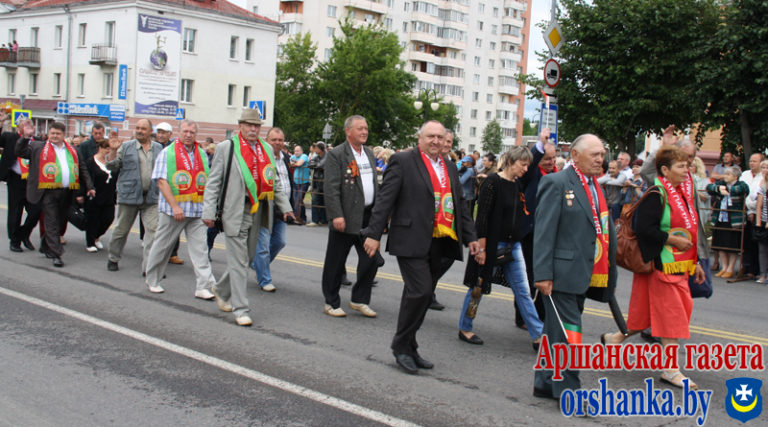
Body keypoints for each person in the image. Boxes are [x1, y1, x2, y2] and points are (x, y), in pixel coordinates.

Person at [362, 120, 479, 374]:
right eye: (431, 136)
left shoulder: (448, 165)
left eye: (440, 137)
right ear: (420, 138)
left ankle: (410, 345)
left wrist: (471, 237)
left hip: (440, 239)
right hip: (410, 237)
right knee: (422, 292)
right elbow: (385, 198)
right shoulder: (403, 161)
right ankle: (400, 345)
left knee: (417, 295)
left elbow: (459, 204)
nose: (436, 141)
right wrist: (373, 234)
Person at [601, 145, 705, 389]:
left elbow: (689, 230)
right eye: (681, 166)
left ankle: (614, 338)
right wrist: (672, 240)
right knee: (671, 319)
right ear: (665, 170)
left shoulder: (683, 194)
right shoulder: (657, 194)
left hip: (680, 265)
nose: (686, 170)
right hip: (660, 266)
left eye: (687, 166)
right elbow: (644, 229)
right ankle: (671, 370)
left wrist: (696, 261)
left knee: (644, 317)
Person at [532, 134, 617, 399]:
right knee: (570, 333)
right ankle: (568, 389)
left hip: (583, 272)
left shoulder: (594, 185)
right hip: (560, 274)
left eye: (602, 155)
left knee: (556, 330)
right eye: (594, 155)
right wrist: (543, 274)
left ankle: (545, 381)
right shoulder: (556, 182)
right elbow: (544, 231)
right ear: (576, 156)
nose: (600, 160)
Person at [202, 109, 293, 326]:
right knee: (239, 260)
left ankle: (221, 290)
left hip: (260, 210)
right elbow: (213, 182)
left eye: (256, 126)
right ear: (240, 125)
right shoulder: (228, 148)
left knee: (249, 258)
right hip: (235, 210)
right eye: (249, 125)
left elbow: (274, 181)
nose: (253, 129)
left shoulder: (266, 149)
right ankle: (240, 308)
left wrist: (286, 207)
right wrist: (208, 211)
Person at [458, 146, 543, 348]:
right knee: (477, 288)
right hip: (492, 244)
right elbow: (483, 216)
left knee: (523, 291)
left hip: (513, 246)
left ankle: (538, 336)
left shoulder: (516, 184)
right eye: (522, 164)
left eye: (527, 165)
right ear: (511, 162)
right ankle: (465, 328)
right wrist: (482, 248)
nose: (525, 169)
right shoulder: (492, 182)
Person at [143, 120, 216, 299]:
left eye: (192, 132)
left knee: (201, 250)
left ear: (196, 134)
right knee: (162, 246)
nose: (189, 134)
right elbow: (161, 181)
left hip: (196, 210)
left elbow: (205, 182)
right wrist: (175, 206)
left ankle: (203, 286)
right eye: (185, 131)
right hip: (172, 211)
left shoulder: (202, 154)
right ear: (179, 132)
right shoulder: (167, 153)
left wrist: (208, 209)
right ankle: (152, 279)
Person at [321, 115, 380, 318]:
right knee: (336, 262)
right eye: (360, 128)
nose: (364, 132)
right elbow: (331, 188)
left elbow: (374, 184)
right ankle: (331, 302)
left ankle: (359, 299)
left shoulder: (369, 154)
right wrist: (336, 215)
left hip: (368, 217)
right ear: (348, 131)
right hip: (345, 218)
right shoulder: (337, 154)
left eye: (366, 128)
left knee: (371, 260)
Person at [16, 121, 94, 267]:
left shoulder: (72, 150)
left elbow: (82, 168)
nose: (54, 136)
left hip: (66, 191)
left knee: (58, 221)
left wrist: (90, 186)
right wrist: (25, 137)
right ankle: (56, 254)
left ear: (64, 135)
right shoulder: (38, 147)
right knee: (51, 221)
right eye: (52, 133)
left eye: (58, 133)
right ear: (49, 133)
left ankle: (45, 245)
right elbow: (20, 152)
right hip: (47, 191)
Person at [106, 119, 163, 274]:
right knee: (121, 230)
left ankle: (149, 267)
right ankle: (113, 257)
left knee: (153, 231)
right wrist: (112, 151)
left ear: (151, 131)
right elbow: (112, 166)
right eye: (137, 128)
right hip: (129, 196)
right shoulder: (125, 147)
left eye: (143, 128)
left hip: (151, 197)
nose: (139, 131)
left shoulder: (158, 148)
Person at [517, 129, 557, 328]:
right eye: (547, 158)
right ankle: (522, 316)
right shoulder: (531, 174)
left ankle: (540, 315)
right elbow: (532, 162)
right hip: (530, 234)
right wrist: (541, 144)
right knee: (528, 277)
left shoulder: (559, 176)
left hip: (550, 235)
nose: (551, 162)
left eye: (554, 158)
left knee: (547, 276)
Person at [249, 127, 293, 292]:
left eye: (280, 140)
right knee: (263, 245)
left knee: (280, 242)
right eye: (274, 140)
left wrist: (290, 206)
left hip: (282, 208)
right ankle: (264, 279)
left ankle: (258, 266)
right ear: (267, 140)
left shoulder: (286, 158)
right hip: (265, 206)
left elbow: (289, 182)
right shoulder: (261, 157)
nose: (277, 143)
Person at [0, 118, 40, 252]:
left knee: (35, 212)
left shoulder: (38, 141)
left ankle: (23, 235)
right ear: (19, 127)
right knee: (15, 213)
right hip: (16, 180)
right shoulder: (10, 137)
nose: (29, 127)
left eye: (30, 125)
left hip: (32, 181)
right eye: (25, 125)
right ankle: (14, 241)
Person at [707, 166, 750, 278]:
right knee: (721, 244)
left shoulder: (741, 184)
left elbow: (743, 190)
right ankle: (724, 267)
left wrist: (726, 190)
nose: (725, 176)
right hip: (721, 219)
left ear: (735, 176)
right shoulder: (721, 184)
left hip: (734, 221)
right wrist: (718, 189)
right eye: (725, 174)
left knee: (732, 244)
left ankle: (731, 268)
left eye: (728, 174)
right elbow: (709, 187)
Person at [153, 121, 184, 265]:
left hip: (170, 191)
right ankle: (154, 252)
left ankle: (172, 253)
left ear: (170, 134)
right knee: (156, 226)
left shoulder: (173, 149)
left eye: (163, 132)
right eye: (158, 132)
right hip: (153, 190)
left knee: (173, 223)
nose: (160, 135)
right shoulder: (152, 147)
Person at [84, 136, 118, 252]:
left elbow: (116, 173)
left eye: (109, 148)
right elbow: (86, 177)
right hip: (95, 195)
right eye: (105, 148)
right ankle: (90, 242)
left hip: (108, 196)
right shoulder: (90, 162)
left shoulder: (110, 162)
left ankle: (96, 237)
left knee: (108, 218)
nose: (107, 151)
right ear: (99, 148)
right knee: (93, 219)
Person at [739, 153, 765, 279]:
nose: (752, 163)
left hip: (757, 212)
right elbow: (740, 190)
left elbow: (759, 197)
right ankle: (746, 267)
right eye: (750, 161)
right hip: (745, 211)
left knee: (757, 242)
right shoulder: (745, 174)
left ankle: (757, 269)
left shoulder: (763, 176)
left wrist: (752, 211)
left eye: (755, 161)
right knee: (746, 241)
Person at [754, 161, 768, 284]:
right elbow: (759, 205)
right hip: (763, 221)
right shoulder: (763, 187)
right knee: (763, 250)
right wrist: (759, 222)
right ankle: (763, 274)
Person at [307, 141, 327, 226]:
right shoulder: (316, 157)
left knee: (324, 201)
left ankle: (323, 220)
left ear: (321, 149)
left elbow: (322, 165)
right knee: (315, 200)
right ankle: (315, 220)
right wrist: (316, 165)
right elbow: (310, 164)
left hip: (325, 182)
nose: (315, 149)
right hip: (317, 182)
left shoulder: (327, 156)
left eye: (317, 148)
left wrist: (316, 165)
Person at [290, 145, 310, 224]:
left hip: (304, 182)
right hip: (295, 182)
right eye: (295, 151)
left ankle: (298, 218)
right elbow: (291, 163)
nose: (296, 152)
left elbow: (299, 164)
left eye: (298, 151)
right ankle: (301, 218)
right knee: (297, 200)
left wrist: (296, 163)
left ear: (301, 151)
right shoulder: (293, 156)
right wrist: (296, 163)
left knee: (299, 199)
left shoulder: (304, 156)